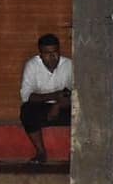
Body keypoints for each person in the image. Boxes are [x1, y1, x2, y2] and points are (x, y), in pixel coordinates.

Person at [19, 33, 73, 163]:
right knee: (26, 110)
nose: (52, 56)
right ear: (40, 54)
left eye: (55, 52)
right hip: (42, 107)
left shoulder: (68, 65)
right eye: (47, 53)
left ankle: (76, 154)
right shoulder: (32, 65)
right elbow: (26, 96)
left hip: (64, 106)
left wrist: (58, 105)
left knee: (81, 111)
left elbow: (74, 92)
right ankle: (40, 152)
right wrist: (54, 96)